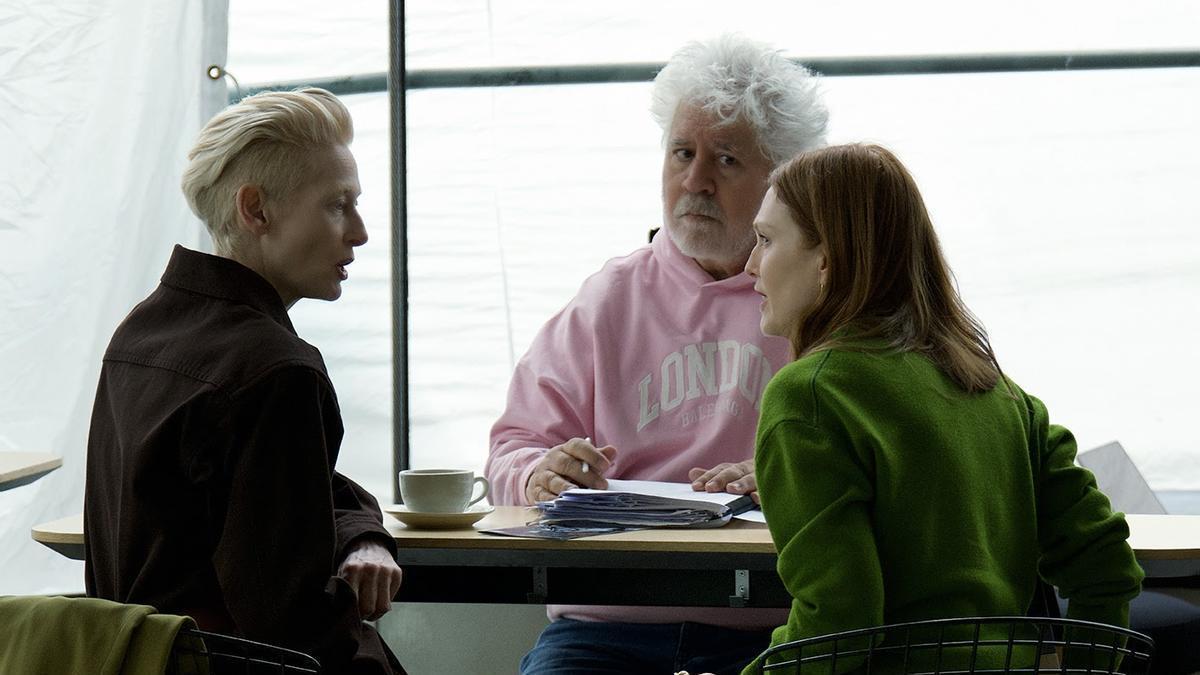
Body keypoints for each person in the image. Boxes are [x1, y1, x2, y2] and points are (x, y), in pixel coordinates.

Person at [485, 35, 828, 675]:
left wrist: (795, 480)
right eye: (682, 153)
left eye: (725, 160)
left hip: (776, 624)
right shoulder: (607, 300)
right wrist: (541, 475)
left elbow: (876, 463)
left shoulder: (817, 303)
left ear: (780, 178)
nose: (694, 181)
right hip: (604, 625)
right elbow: (511, 448)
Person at [741, 143, 1144, 672]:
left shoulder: (811, 397)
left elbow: (840, 625)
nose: (749, 265)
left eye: (767, 240)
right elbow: (1106, 562)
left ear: (826, 260)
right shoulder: (999, 392)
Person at [84, 88, 406, 675]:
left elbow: (277, 488)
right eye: (337, 205)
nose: (358, 232)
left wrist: (361, 532)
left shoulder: (141, 335)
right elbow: (289, 624)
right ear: (255, 209)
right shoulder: (275, 370)